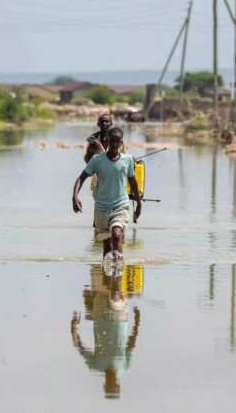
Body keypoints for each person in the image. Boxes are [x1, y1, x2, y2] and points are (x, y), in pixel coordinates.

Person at [71, 264, 141, 399]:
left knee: (103, 284)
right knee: (115, 292)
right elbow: (131, 344)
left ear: (105, 384)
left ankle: (111, 259)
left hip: (99, 313)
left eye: (110, 384)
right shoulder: (124, 368)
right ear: (118, 383)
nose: (111, 381)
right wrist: (137, 321)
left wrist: (73, 329)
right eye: (113, 384)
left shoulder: (95, 365)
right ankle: (117, 264)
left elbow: (79, 347)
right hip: (119, 317)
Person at [73, 127, 141, 260]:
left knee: (116, 236)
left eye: (118, 142)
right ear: (107, 141)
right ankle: (107, 274)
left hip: (120, 205)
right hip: (101, 207)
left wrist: (138, 203)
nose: (115, 145)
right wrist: (75, 196)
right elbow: (81, 178)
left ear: (121, 143)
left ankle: (118, 272)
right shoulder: (97, 160)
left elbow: (133, 182)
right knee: (106, 244)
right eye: (112, 141)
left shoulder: (127, 160)